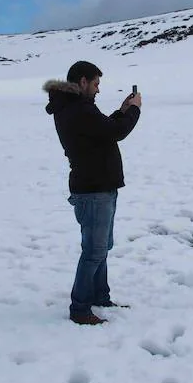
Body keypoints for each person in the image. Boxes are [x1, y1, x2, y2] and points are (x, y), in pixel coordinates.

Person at [44, 61, 142, 325]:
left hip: (98, 187)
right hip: (93, 190)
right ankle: (80, 308)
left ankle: (100, 295)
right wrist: (133, 111)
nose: (98, 90)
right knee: (94, 251)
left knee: (101, 248)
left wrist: (121, 111)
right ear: (83, 81)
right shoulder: (78, 109)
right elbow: (115, 132)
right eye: (96, 84)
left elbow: (102, 130)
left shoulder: (76, 107)